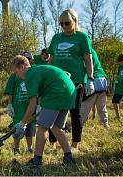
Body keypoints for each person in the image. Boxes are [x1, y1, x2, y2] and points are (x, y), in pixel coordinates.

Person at [12, 55, 76, 167]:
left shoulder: (30, 74)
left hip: (57, 92)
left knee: (42, 127)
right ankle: (68, 157)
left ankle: (37, 160)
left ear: (22, 67)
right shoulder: (37, 69)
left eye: (16, 73)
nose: (17, 76)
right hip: (69, 91)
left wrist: (22, 123)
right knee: (56, 127)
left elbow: (32, 104)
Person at [47, 8, 94, 152]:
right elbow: (51, 60)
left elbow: (88, 60)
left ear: (74, 21)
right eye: (61, 24)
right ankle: (52, 143)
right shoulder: (56, 38)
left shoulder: (82, 37)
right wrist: (48, 77)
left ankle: (75, 144)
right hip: (58, 81)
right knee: (53, 111)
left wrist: (90, 79)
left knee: (75, 112)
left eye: (67, 23)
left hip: (77, 81)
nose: (64, 27)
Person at [4, 51, 37, 155]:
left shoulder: (32, 74)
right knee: (17, 129)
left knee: (30, 130)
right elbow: (11, 91)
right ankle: (16, 148)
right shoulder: (15, 76)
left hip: (30, 106)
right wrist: (10, 105)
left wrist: (39, 105)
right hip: (18, 107)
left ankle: (30, 147)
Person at [80, 49, 110, 128]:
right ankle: (105, 123)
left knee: (85, 105)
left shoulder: (83, 51)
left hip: (93, 79)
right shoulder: (92, 51)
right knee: (102, 105)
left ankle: (79, 124)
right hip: (103, 79)